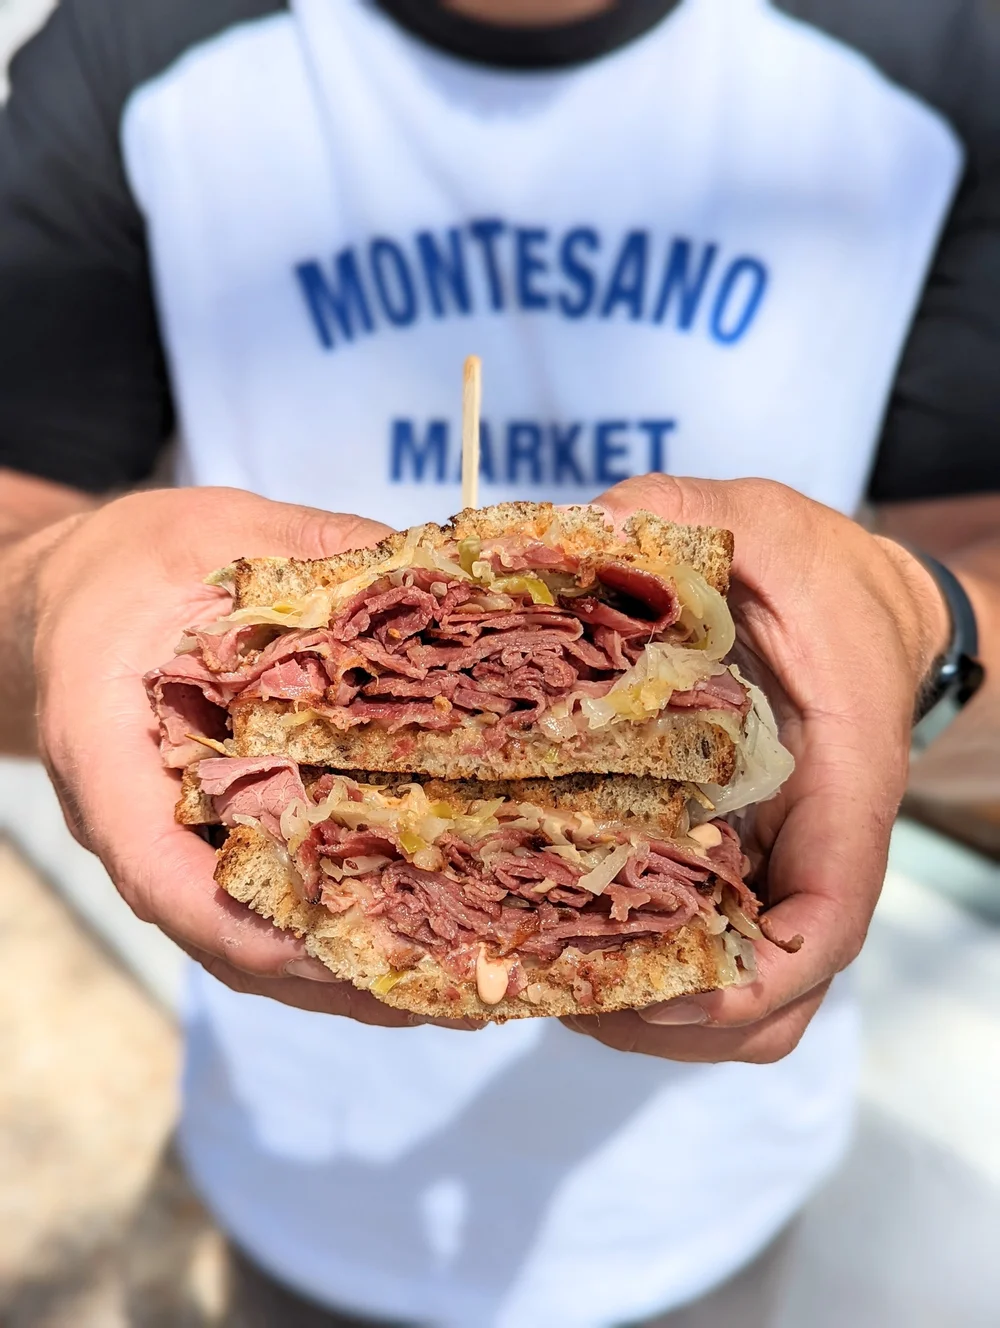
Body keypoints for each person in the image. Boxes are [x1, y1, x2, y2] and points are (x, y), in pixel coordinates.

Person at [1, 1, 999, 1324]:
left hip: (710, 1182)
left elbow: (977, 592)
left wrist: (930, 626)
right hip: (298, 1157)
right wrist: (46, 597)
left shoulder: (932, 58)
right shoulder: (139, 45)